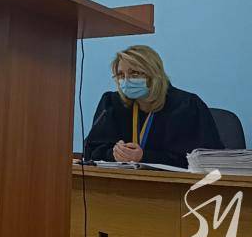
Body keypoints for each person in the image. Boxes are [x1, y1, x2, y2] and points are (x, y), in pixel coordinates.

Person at [83, 45, 223, 168]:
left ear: (153, 74)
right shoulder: (112, 104)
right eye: (120, 75)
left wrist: (144, 156)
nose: (126, 80)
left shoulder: (186, 105)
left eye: (134, 73)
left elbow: (203, 160)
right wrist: (114, 154)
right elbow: (91, 150)